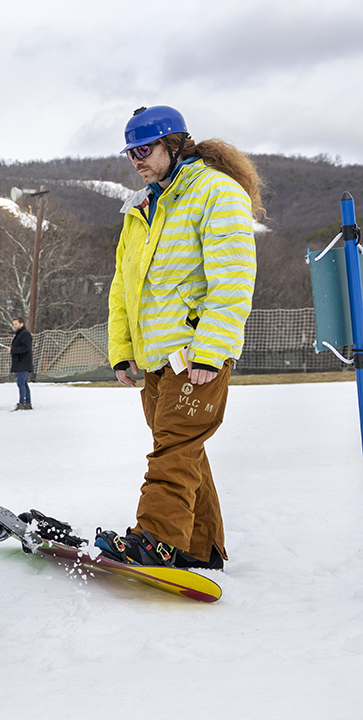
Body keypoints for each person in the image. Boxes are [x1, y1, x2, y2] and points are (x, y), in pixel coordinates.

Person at [97, 104, 264, 571]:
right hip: (156, 360)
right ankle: (197, 545)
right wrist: (123, 352)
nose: (136, 160)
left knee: (172, 448)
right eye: (130, 153)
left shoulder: (216, 192)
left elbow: (232, 278)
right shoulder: (143, 207)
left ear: (175, 144)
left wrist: (211, 351)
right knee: (184, 449)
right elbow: (123, 289)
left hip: (195, 353)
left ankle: (155, 538)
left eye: (144, 149)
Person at [10, 318, 33, 410]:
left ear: (21, 324)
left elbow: (25, 347)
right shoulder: (21, 333)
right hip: (21, 362)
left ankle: (22, 403)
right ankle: (27, 402)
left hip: (23, 363)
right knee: (24, 383)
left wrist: (13, 350)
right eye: (14, 324)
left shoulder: (25, 334)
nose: (14, 326)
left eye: (16, 324)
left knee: (21, 383)